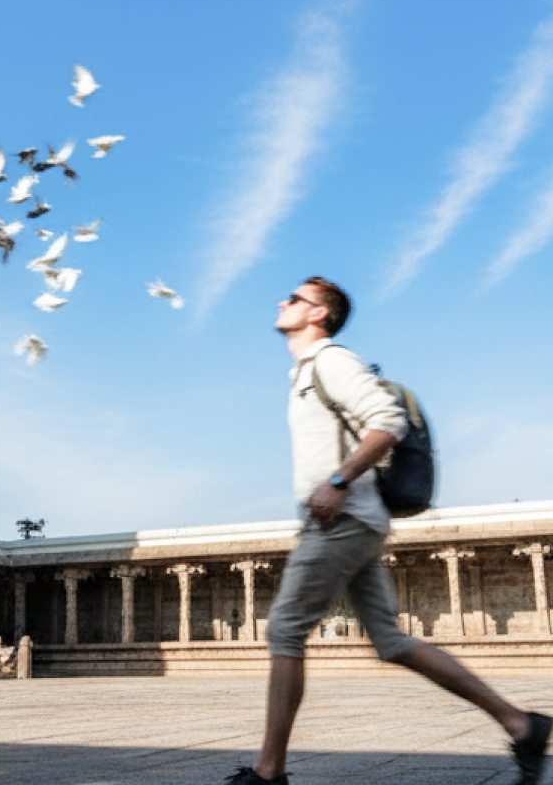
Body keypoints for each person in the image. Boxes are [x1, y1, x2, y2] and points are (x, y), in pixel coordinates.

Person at [225, 276, 551, 785]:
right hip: (357, 520)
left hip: (341, 520)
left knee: (285, 630)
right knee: (392, 641)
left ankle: (269, 772)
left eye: (294, 298)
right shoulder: (306, 371)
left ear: (318, 314)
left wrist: (338, 480)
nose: (281, 301)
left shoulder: (331, 360)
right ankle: (520, 723)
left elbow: (387, 420)